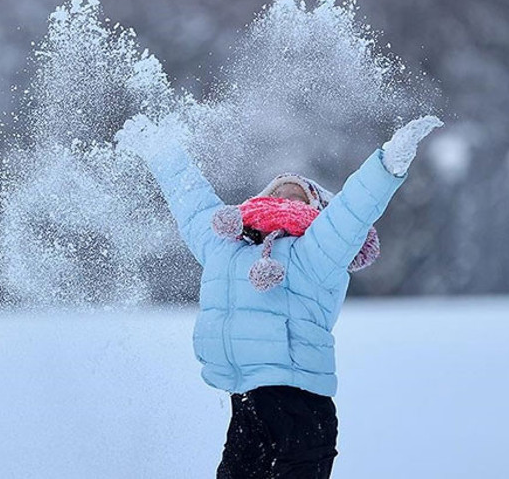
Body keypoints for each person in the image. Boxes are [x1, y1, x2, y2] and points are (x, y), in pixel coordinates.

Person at [114, 114, 442, 478]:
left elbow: (353, 210)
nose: (285, 195)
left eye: (299, 194)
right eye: (277, 191)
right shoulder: (225, 247)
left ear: (317, 212)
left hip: (302, 409)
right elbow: (192, 203)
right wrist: (162, 153)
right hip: (246, 404)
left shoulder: (316, 251)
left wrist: (386, 164)